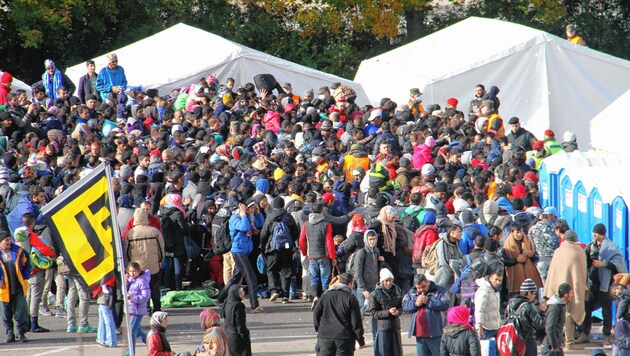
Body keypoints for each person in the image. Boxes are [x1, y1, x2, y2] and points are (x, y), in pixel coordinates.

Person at [582, 223, 627, 347]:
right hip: (592, 283)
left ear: (602, 234)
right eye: (593, 232)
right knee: (587, 307)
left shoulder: (611, 247)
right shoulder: (590, 246)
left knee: (606, 310)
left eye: (597, 233)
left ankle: (606, 335)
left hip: (605, 284)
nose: (594, 235)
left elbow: (618, 264)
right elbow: (585, 261)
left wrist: (603, 264)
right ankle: (585, 333)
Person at [217, 202, 266, 313]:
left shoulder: (250, 217)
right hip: (238, 250)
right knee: (251, 278)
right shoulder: (235, 217)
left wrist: (257, 213)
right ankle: (254, 306)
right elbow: (244, 227)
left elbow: (260, 223)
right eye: (251, 207)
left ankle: (220, 299)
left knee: (236, 276)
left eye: (254, 207)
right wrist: (243, 214)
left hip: (245, 250)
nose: (252, 210)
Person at [544, 230, 587, 350]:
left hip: (559, 287)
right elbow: (583, 272)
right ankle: (569, 342)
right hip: (573, 287)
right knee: (570, 313)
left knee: (557, 315)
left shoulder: (558, 251)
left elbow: (553, 271)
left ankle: (559, 341)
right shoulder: (579, 252)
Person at [313, 273, 366, 355]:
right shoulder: (350, 298)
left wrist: (318, 329)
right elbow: (356, 322)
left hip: (325, 335)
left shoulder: (326, 295)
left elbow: (316, 313)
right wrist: (360, 340)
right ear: (350, 284)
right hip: (344, 337)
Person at [259, 196, 300, 304]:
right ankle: (285, 296)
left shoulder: (270, 216)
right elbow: (296, 232)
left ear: (273, 205)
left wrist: (263, 246)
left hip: (272, 248)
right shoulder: (289, 216)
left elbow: (264, 233)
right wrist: (291, 242)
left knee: (271, 269)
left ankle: (273, 291)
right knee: (285, 270)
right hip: (286, 248)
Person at [124, 207, 165, 313]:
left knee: (140, 288)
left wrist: (130, 265)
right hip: (153, 265)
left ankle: (145, 308)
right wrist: (160, 260)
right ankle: (157, 308)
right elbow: (161, 248)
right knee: (154, 287)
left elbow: (126, 251)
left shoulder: (130, 233)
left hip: (138, 267)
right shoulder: (154, 231)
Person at [299, 202, 336, 310]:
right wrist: (332, 256)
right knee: (325, 277)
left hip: (312, 255)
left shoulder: (306, 224)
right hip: (324, 255)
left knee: (314, 277)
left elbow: (302, 240)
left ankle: (315, 296)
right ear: (322, 211)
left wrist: (305, 252)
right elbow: (329, 241)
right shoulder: (326, 224)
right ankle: (324, 299)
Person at [402, 273, 449, 356]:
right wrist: (415, 303)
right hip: (419, 334)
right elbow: (405, 306)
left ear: (428, 282)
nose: (421, 290)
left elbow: (445, 304)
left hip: (435, 332)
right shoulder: (412, 292)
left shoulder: (439, 290)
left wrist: (428, 301)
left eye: (423, 286)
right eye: (419, 288)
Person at [0, 231, 30, 343]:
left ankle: (21, 333)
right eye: (6, 240)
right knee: (6, 314)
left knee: (21, 312)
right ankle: (9, 334)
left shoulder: (19, 251)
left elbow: (27, 265)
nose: (9, 242)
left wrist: (26, 277)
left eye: (9, 239)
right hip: (3, 291)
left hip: (18, 288)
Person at [507, 278, 546, 356]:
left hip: (513, 340)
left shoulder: (509, 305)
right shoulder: (528, 306)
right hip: (528, 341)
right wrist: (542, 311)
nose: (534, 296)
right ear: (528, 293)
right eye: (534, 293)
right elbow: (541, 323)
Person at [501, 222, 543, 294]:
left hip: (530, 277)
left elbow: (536, 258)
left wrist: (531, 255)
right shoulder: (506, 245)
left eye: (521, 232)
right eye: (517, 232)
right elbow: (503, 262)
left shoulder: (529, 241)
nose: (519, 234)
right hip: (515, 277)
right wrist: (516, 260)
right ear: (512, 232)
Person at [369, 269, 403, 356]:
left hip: (395, 327)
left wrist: (398, 311)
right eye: (386, 281)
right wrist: (388, 312)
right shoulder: (375, 294)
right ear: (382, 281)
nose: (389, 283)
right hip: (383, 328)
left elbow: (401, 306)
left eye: (390, 280)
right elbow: (373, 312)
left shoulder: (397, 290)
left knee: (397, 353)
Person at [126, 261, 151, 355]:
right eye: (130, 271)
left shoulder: (142, 281)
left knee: (132, 331)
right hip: (130, 309)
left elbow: (145, 297)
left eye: (134, 271)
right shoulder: (131, 280)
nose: (132, 273)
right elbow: (123, 291)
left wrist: (132, 296)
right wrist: (126, 282)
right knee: (138, 330)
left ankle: (130, 352)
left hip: (137, 310)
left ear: (139, 271)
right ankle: (151, 342)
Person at [529, 206, 560, 280]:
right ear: (550, 216)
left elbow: (529, 244)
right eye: (555, 216)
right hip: (554, 260)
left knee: (541, 286)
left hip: (539, 260)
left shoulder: (533, 228)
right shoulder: (555, 229)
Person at [542, 283, 573, 356]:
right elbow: (549, 328)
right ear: (566, 295)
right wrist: (554, 345)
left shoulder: (561, 305)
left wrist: (561, 341)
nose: (572, 295)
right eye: (571, 293)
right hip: (550, 348)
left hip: (557, 346)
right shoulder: (555, 308)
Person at [221, 285, 252, 356]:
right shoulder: (238, 306)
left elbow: (222, 314)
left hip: (228, 335)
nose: (243, 293)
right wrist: (245, 338)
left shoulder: (227, 301)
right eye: (241, 292)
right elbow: (240, 324)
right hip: (237, 338)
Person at [474, 269, 503, 340]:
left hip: (496, 327)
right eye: (495, 279)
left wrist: (499, 323)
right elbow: (479, 309)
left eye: (500, 280)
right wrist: (479, 326)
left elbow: (496, 310)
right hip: (486, 329)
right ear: (490, 278)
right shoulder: (484, 290)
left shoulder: (496, 291)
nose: (498, 282)